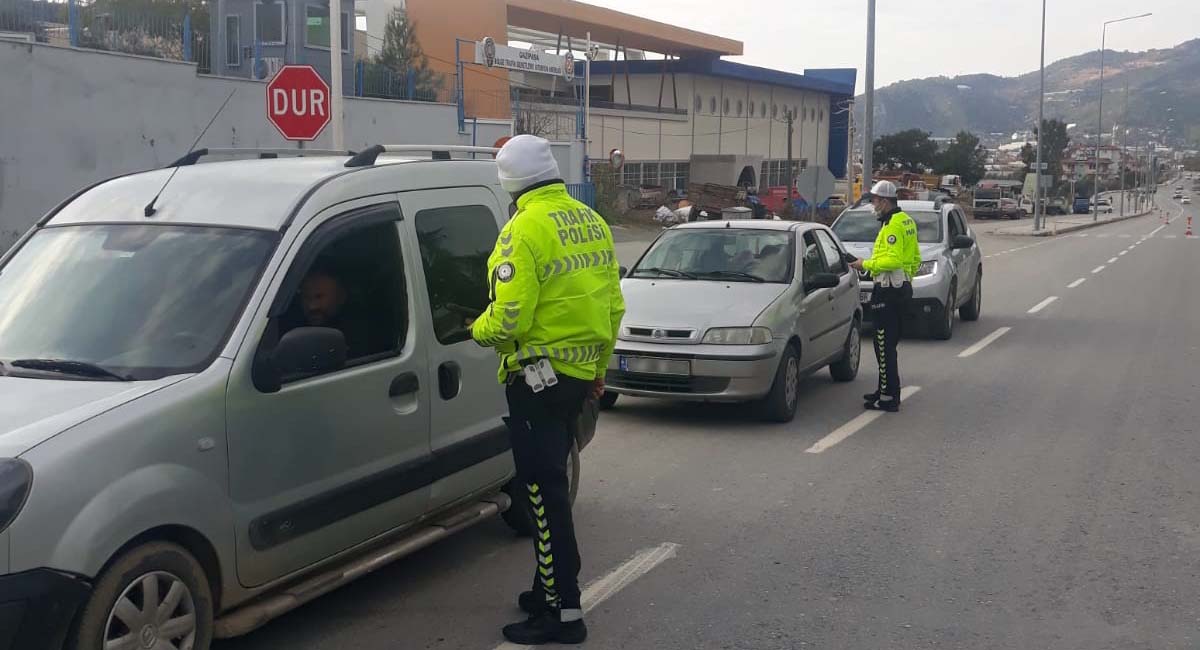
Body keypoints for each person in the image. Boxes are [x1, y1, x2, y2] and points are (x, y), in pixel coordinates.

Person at [471, 134, 625, 645]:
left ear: (511, 186)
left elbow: (510, 317)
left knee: (542, 495)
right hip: (579, 377)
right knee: (552, 486)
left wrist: (476, 329)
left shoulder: (523, 229)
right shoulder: (591, 222)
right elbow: (613, 308)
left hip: (537, 381)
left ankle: (562, 614)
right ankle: (546, 590)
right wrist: (598, 370)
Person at [849, 180, 920, 412]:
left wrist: (864, 265)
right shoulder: (904, 221)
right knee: (887, 345)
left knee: (884, 346)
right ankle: (884, 390)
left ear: (886, 201)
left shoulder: (892, 227)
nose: (873, 205)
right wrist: (905, 279)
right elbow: (915, 258)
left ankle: (889, 397)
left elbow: (893, 260)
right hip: (899, 289)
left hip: (889, 291)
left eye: (876, 201)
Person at [299, 265, 375, 358]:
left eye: (319, 297)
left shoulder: (359, 330)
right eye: (306, 297)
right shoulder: (294, 326)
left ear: (342, 296)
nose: (312, 306)